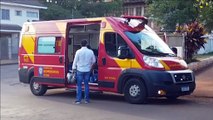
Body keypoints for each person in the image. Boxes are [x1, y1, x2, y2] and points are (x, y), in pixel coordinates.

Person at [72, 39, 96, 104]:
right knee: (86, 85)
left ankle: (78, 100)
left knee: (79, 85)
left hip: (80, 70)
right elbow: (94, 61)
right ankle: (87, 100)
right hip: (87, 70)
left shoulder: (78, 52)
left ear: (81, 44)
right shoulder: (90, 52)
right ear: (86, 44)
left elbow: (75, 61)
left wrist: (73, 69)